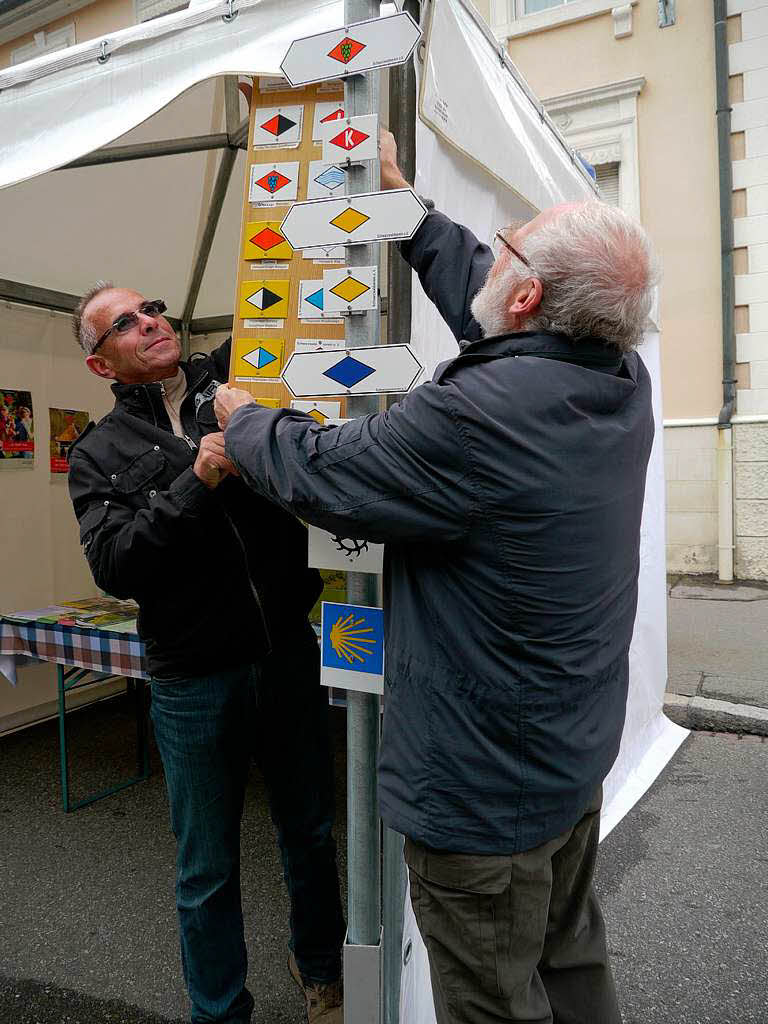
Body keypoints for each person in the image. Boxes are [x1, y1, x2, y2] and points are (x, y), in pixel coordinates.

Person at [213, 131, 659, 1024]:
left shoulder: (476, 421)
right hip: (565, 762)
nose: (493, 250)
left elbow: (326, 469)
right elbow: (492, 311)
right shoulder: (615, 375)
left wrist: (247, 420)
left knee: (493, 1000)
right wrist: (404, 202)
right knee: (570, 963)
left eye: (511, 244)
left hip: (482, 793)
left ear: (529, 291)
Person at [66, 286, 345, 1024]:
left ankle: (321, 970)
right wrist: (196, 482)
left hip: (287, 649)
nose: (150, 322)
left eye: (150, 307)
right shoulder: (98, 453)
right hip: (191, 678)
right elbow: (116, 566)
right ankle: (220, 1013)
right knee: (206, 867)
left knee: (311, 831)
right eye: (123, 323)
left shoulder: (237, 375)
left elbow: (296, 312)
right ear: (102, 365)